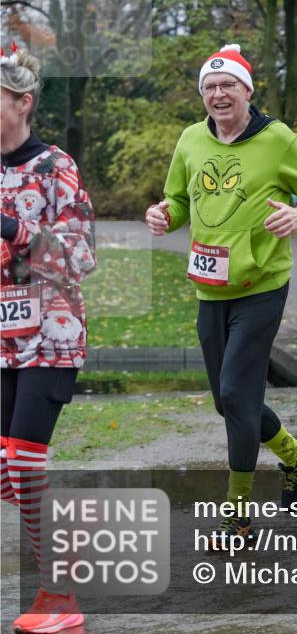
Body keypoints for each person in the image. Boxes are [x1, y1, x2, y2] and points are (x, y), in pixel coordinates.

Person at [145, 44, 297, 545]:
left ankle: (238, 517)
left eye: (228, 84)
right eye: (209, 87)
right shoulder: (190, 139)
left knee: (235, 395)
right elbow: (178, 199)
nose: (218, 94)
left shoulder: (278, 139)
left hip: (261, 286)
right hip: (209, 289)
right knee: (227, 402)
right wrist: (164, 214)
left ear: (247, 90)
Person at [1, 44, 97, 634]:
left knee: (24, 462)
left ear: (22, 102)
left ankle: (59, 597)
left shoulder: (55, 167)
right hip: (1, 339)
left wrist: (12, 228)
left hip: (51, 335)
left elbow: (79, 256)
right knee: (7, 471)